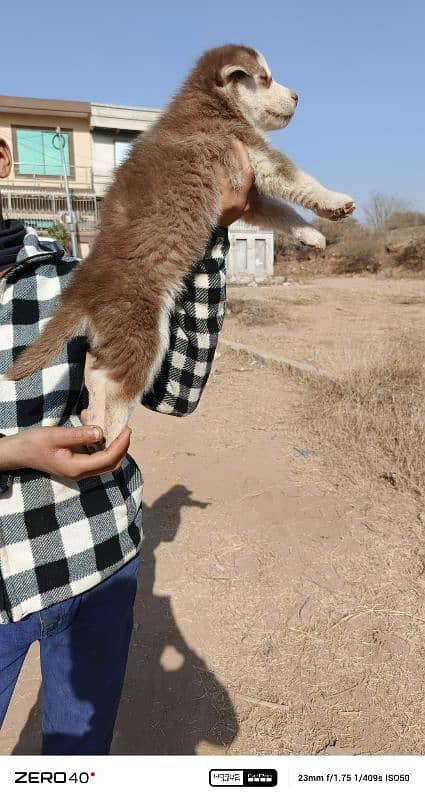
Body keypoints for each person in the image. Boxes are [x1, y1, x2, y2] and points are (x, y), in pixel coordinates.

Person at [0, 135, 254, 754]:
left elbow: (176, 389)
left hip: (90, 560)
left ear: (2, 159)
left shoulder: (68, 275)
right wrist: (12, 452)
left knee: (77, 765)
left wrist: (203, 235)